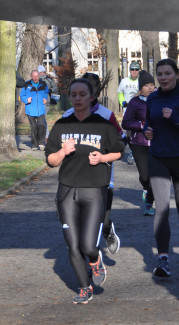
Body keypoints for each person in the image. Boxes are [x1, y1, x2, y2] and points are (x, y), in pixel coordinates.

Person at [45, 78, 125, 304]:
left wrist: (102, 157)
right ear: (70, 97)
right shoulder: (62, 125)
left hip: (94, 191)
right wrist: (62, 152)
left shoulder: (103, 125)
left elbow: (118, 152)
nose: (78, 98)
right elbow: (50, 160)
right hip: (67, 191)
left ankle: (95, 259)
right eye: (74, 95)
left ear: (91, 97)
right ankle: (83, 287)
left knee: (88, 245)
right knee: (72, 244)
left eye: (82, 94)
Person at [63, 72, 126, 254]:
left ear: (95, 92)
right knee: (81, 219)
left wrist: (104, 155)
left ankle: (107, 230)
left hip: (103, 176)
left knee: (102, 220)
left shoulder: (106, 115)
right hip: (76, 176)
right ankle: (91, 256)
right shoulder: (68, 114)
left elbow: (121, 143)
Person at [145, 58, 179, 279]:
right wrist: (147, 130)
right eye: (160, 74)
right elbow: (148, 121)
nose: (163, 78)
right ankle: (163, 259)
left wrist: (175, 117)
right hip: (158, 157)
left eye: (167, 73)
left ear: (176, 74)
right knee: (162, 208)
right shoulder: (152, 98)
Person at [122, 70, 156, 216]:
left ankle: (149, 204)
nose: (150, 88)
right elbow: (126, 123)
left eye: (152, 85)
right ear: (141, 87)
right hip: (139, 143)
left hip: (157, 143)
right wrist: (141, 125)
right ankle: (146, 188)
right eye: (147, 85)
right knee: (145, 176)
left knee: (155, 175)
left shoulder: (159, 99)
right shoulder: (134, 102)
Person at [20, 69, 50, 150]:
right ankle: (34, 145)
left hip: (40, 109)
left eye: (37, 76)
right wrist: (26, 100)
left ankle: (41, 143)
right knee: (34, 127)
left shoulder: (43, 84)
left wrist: (44, 98)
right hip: (30, 109)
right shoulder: (26, 85)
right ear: (31, 77)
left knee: (42, 125)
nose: (36, 78)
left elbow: (46, 92)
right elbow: (22, 96)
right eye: (34, 77)